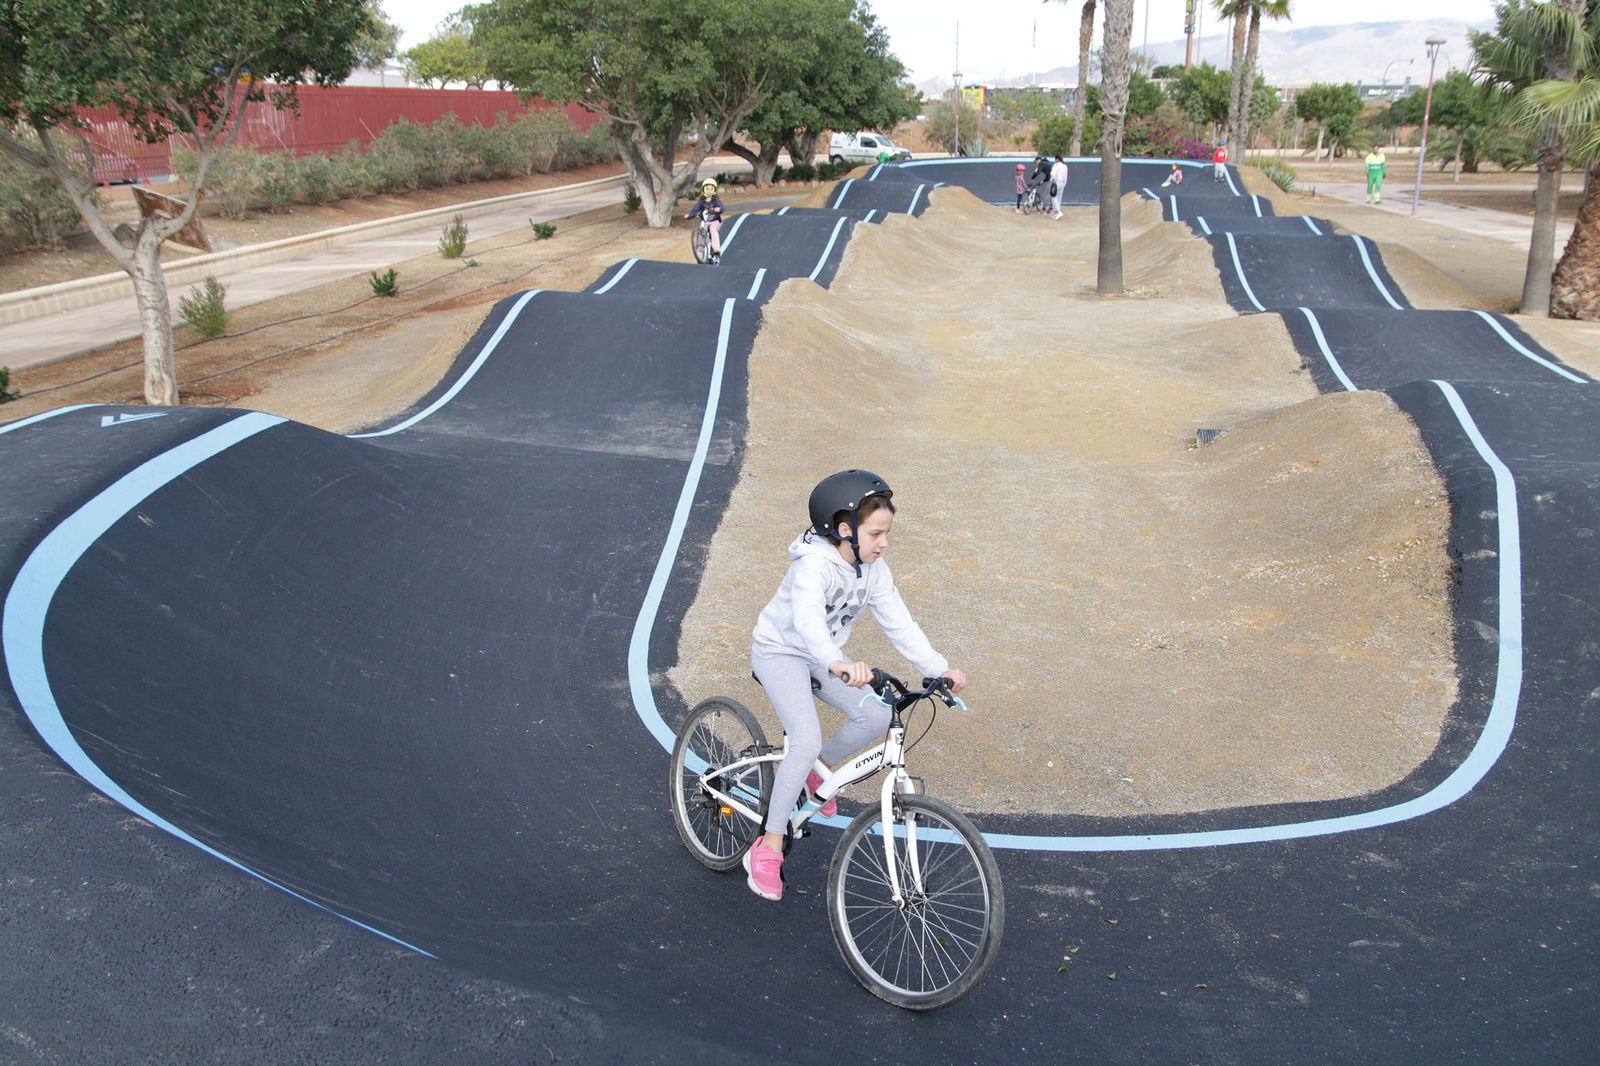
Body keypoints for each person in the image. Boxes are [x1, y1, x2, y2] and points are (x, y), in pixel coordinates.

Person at [744, 469, 968, 902]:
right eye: (876, 533)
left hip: (825, 657)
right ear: (844, 530)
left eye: (887, 533)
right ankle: (769, 846)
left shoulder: (872, 569)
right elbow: (808, 621)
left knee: (878, 711)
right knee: (804, 737)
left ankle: (814, 773)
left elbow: (899, 622)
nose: (884, 543)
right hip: (782, 653)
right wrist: (836, 661)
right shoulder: (814, 567)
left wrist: (940, 668)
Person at [686, 178, 724, 264]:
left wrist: (718, 209)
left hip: (715, 221)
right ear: (704, 190)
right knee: (701, 233)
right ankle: (699, 251)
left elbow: (722, 207)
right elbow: (696, 208)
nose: (709, 191)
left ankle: (716, 248)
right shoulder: (701, 201)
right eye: (707, 189)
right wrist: (689, 214)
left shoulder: (716, 200)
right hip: (705, 221)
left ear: (714, 190)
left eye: (711, 189)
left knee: (713, 230)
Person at [1049, 154, 1070, 219]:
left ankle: (1058, 211)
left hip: (1056, 183)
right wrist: (1064, 184)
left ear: (1057, 159)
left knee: (1053, 197)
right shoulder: (1065, 166)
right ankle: (1056, 213)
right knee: (1059, 198)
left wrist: (1050, 181)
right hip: (1062, 183)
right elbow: (1065, 177)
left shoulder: (1056, 165)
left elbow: (1053, 175)